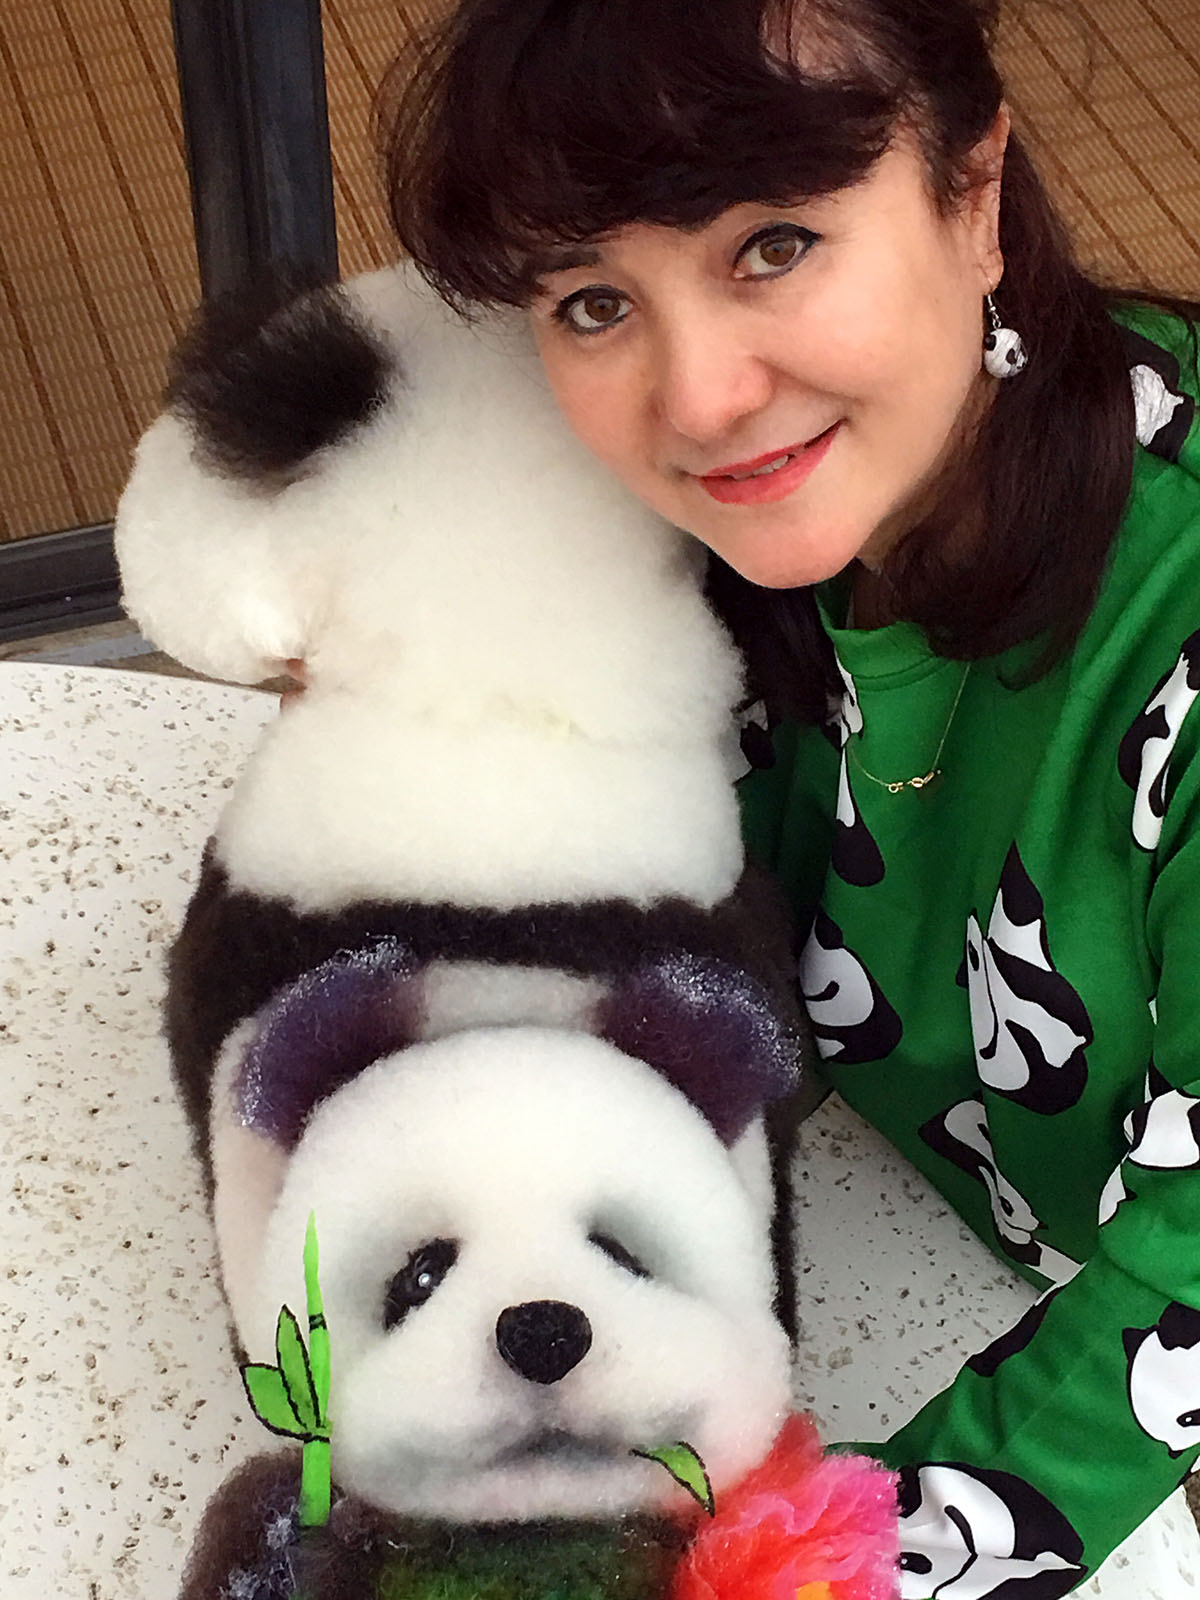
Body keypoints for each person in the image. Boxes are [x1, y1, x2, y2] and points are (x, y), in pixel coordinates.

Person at [368, 0, 1200, 1592]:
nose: (698, 397)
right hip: (937, 1245)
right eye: (594, 299)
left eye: (773, 246)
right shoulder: (706, 534)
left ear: (974, 193)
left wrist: (820, 1569)